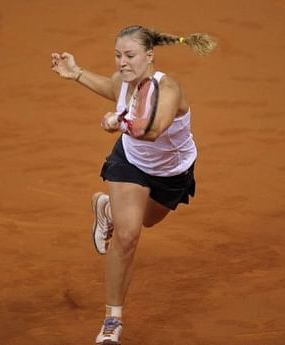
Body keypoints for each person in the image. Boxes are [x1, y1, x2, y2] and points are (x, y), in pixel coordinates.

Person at [51, 25, 216, 345]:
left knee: (148, 220)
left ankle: (107, 209)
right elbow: (112, 88)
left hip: (172, 172)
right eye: (117, 55)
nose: (121, 62)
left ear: (149, 56)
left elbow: (153, 129)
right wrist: (77, 73)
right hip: (130, 163)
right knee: (127, 237)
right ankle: (112, 320)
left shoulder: (169, 89)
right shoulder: (122, 82)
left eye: (129, 55)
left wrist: (120, 121)